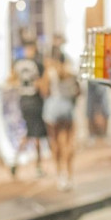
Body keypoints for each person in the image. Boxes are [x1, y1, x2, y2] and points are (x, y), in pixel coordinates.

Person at [10, 40, 48, 178]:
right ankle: (37, 165)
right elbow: (42, 85)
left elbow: (12, 79)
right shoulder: (37, 63)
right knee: (35, 134)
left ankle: (16, 161)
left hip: (23, 100)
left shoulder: (18, 62)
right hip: (34, 100)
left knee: (30, 133)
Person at [42, 52, 80, 190]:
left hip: (53, 107)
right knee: (68, 142)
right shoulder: (71, 72)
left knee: (55, 142)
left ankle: (60, 175)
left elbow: (44, 90)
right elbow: (78, 92)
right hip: (67, 107)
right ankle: (69, 175)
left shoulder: (50, 72)